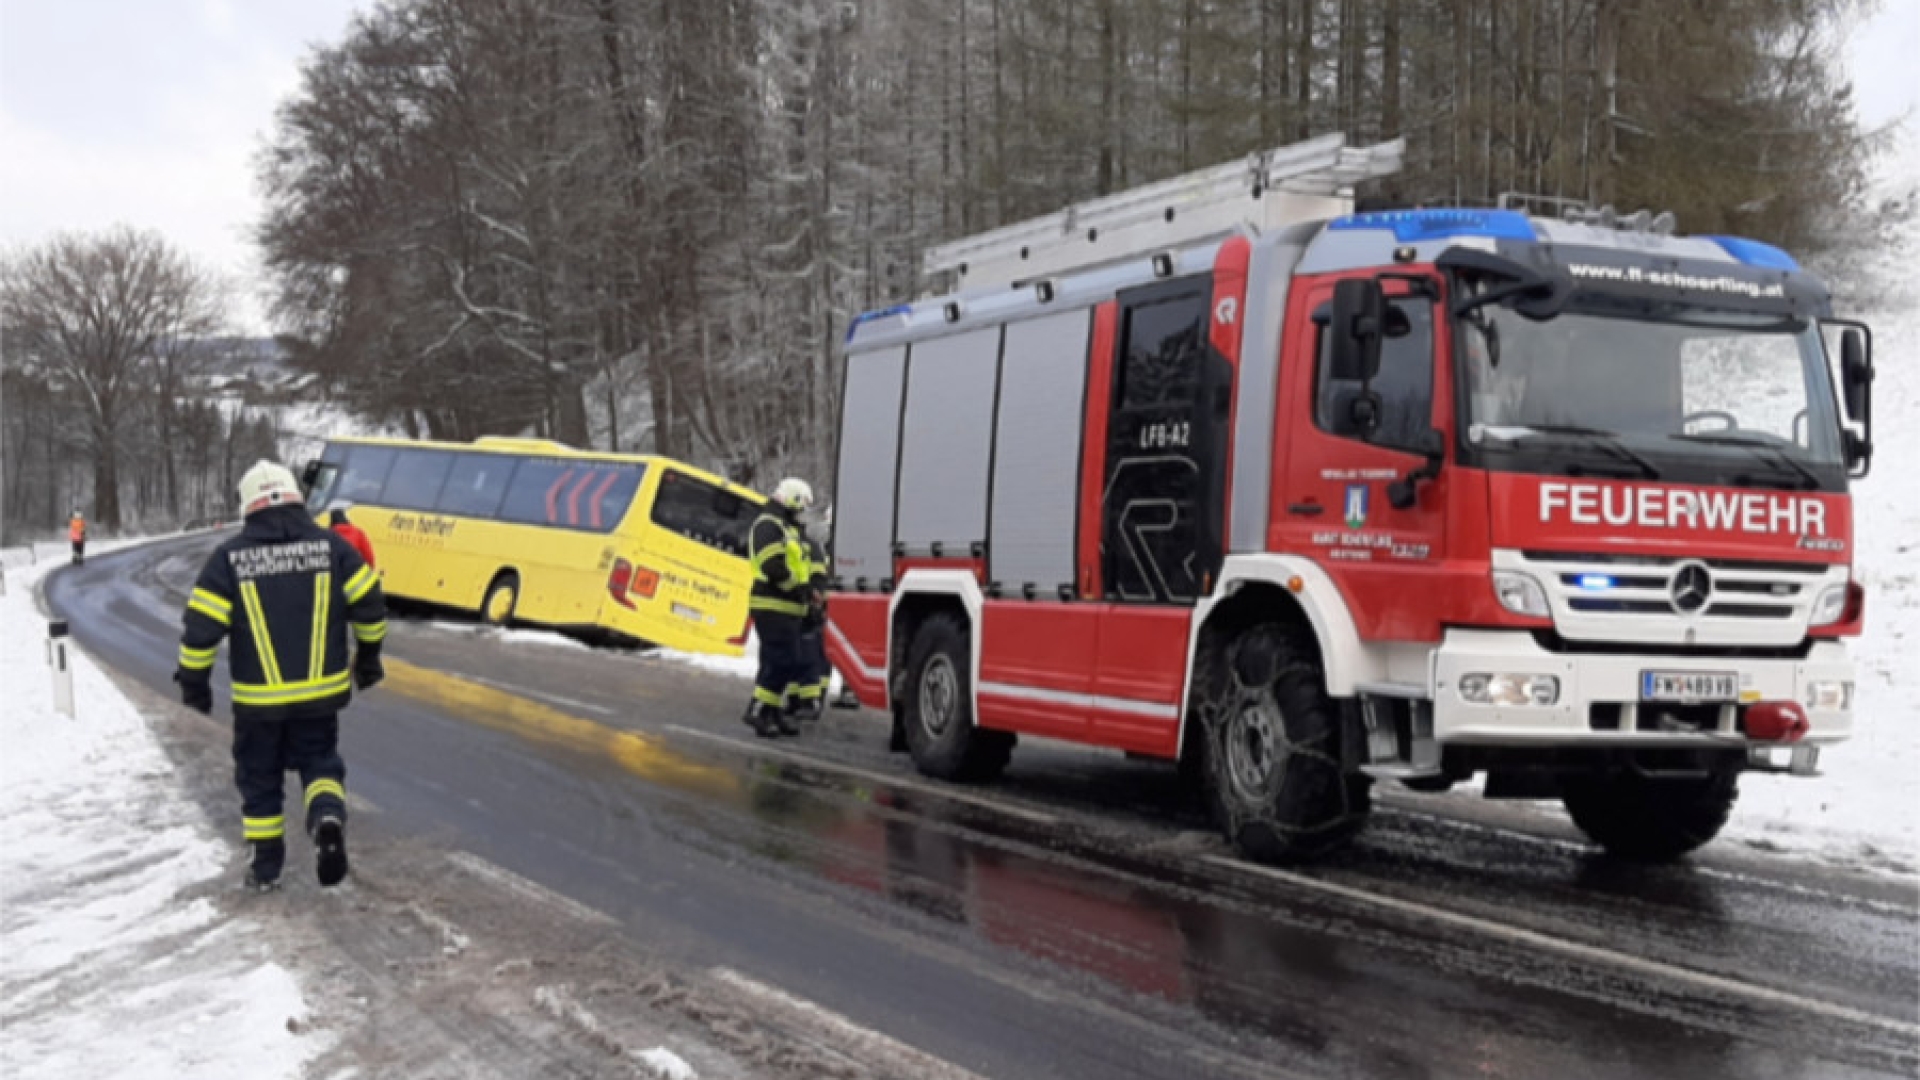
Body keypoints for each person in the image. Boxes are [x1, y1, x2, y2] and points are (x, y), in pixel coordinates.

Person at [174, 461, 388, 892]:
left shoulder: (228, 559)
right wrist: (368, 658)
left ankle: (266, 867)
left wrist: (195, 686)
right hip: (321, 698)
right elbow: (370, 605)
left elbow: (200, 631)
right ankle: (326, 819)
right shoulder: (333, 548)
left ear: (247, 505)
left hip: (259, 704)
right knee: (320, 763)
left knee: (260, 778)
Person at [744, 478, 817, 739]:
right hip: (772, 605)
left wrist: (807, 593)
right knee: (782, 661)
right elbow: (772, 565)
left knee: (781, 661)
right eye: (802, 505)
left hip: (786, 607)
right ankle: (758, 709)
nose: (802, 511)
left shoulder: (786, 527)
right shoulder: (769, 525)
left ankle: (771, 713)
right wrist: (798, 589)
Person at [784, 526, 832, 723]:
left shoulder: (814, 548)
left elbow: (819, 579)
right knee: (799, 654)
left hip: (814, 608)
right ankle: (797, 699)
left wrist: (816, 604)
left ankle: (812, 700)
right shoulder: (812, 546)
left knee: (812, 654)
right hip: (805, 606)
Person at [327, 502, 377, 569]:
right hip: (353, 569)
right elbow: (368, 555)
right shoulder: (357, 532)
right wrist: (370, 569)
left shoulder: (327, 534)